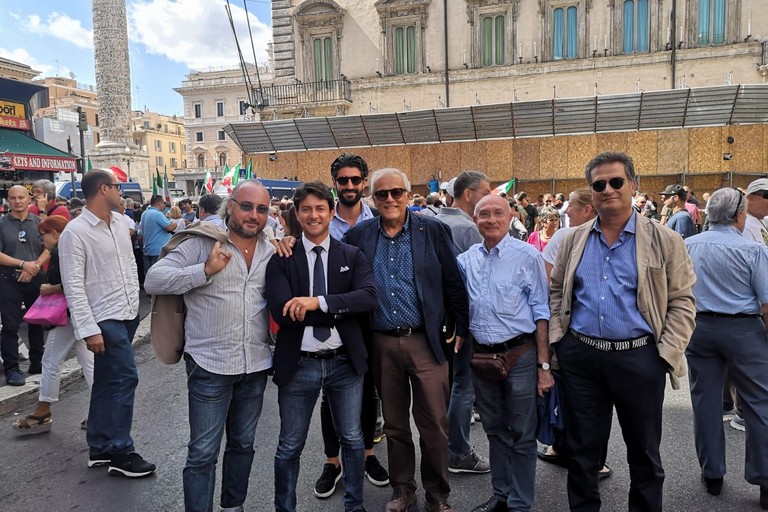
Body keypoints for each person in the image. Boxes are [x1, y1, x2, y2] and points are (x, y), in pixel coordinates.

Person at [549, 151, 696, 512]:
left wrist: (664, 355)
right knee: (582, 453)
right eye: (599, 184)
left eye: (616, 182)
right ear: (592, 191)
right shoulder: (573, 239)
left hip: (639, 357)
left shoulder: (664, 240)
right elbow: (556, 291)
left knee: (644, 454)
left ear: (632, 185)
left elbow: (683, 302)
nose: (608, 189)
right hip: (581, 359)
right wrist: (559, 343)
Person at [343, 168, 469, 512]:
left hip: (426, 342)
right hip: (381, 342)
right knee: (396, 426)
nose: (389, 200)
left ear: (408, 193)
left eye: (396, 192)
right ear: (372, 198)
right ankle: (403, 490)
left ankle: (438, 494)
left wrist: (461, 329)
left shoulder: (434, 230)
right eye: (381, 194)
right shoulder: (359, 236)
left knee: (434, 427)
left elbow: (453, 283)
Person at [144, 180, 275, 511]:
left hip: (256, 364)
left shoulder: (271, 248)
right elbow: (154, 279)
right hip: (209, 364)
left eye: (261, 209)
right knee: (203, 452)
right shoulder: (203, 242)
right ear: (230, 206)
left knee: (243, 445)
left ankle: (233, 506)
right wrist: (204, 270)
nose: (253, 215)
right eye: (246, 206)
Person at [265, 181, 379, 512]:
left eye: (320, 209)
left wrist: (317, 303)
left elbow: (369, 298)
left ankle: (355, 505)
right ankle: (284, 507)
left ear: (331, 213)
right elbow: (281, 310)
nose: (313, 216)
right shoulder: (282, 257)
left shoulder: (351, 255)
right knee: (289, 445)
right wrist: (341, 308)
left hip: (345, 363)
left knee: (354, 438)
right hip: (298, 364)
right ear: (296, 216)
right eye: (306, 209)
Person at [58, 170, 155, 478]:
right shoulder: (75, 232)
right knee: (126, 379)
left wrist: (135, 309)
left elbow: (127, 266)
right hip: (103, 318)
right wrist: (88, 329)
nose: (120, 192)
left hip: (126, 313)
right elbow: (73, 284)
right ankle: (120, 451)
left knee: (105, 382)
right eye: (116, 187)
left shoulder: (121, 224)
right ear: (103, 189)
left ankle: (99, 446)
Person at [458, 194, 552, 512]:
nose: (490, 219)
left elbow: (541, 312)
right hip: (482, 358)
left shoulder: (527, 256)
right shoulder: (466, 260)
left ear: (510, 216)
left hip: (521, 355)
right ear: (475, 220)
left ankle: (520, 503)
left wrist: (544, 365)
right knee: (495, 430)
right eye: (483, 214)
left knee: (523, 433)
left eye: (498, 213)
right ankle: (501, 495)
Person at [683, 188, 768, 509]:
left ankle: (713, 473)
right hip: (743, 329)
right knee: (760, 403)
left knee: (705, 401)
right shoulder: (753, 250)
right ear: (738, 215)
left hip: (700, 327)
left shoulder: (688, 246)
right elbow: (767, 304)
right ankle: (765, 478)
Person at [316, 153, 389, 500]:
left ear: (364, 183)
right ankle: (333, 462)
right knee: (329, 393)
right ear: (334, 183)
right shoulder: (318, 222)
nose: (348, 186)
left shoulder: (380, 219)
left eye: (354, 180)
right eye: (342, 180)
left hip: (369, 321)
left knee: (368, 391)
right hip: (326, 322)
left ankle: (367, 455)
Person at [538, 188, 612, 480]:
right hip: (584, 332)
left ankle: (578, 454)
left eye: (571, 205)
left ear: (588, 210)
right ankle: (582, 455)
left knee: (581, 397)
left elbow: (549, 282)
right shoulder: (573, 237)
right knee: (585, 398)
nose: (565, 210)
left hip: (574, 334)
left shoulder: (567, 237)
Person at [12, 215, 94, 434]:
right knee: (88, 362)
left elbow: (73, 282)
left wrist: (51, 289)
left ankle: (43, 409)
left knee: (51, 361)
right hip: (80, 313)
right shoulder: (75, 244)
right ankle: (99, 411)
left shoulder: (61, 251)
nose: (42, 241)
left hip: (69, 314)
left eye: (43, 236)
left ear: (54, 233)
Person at [436, 170, 492, 475]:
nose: (491, 197)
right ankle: (457, 452)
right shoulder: (469, 229)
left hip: (436, 322)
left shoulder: (433, 221)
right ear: (468, 194)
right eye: (485, 192)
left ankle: (441, 447)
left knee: (444, 387)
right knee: (463, 386)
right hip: (463, 322)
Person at [0, 185, 50, 386]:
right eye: (13, 198)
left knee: (37, 323)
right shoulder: (2, 224)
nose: (17, 201)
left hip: (35, 278)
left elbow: (49, 247)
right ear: (8, 201)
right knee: (10, 326)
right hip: (8, 279)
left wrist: (34, 267)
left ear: (29, 200)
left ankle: (37, 362)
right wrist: (23, 265)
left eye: (21, 197)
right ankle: (12, 368)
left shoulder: (39, 223)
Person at [139, 194, 175, 273]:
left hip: (147, 250)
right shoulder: (157, 214)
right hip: (158, 251)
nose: (164, 206)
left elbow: (139, 232)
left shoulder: (144, 213)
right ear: (159, 204)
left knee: (149, 276)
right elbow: (169, 227)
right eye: (163, 204)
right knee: (159, 276)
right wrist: (175, 223)